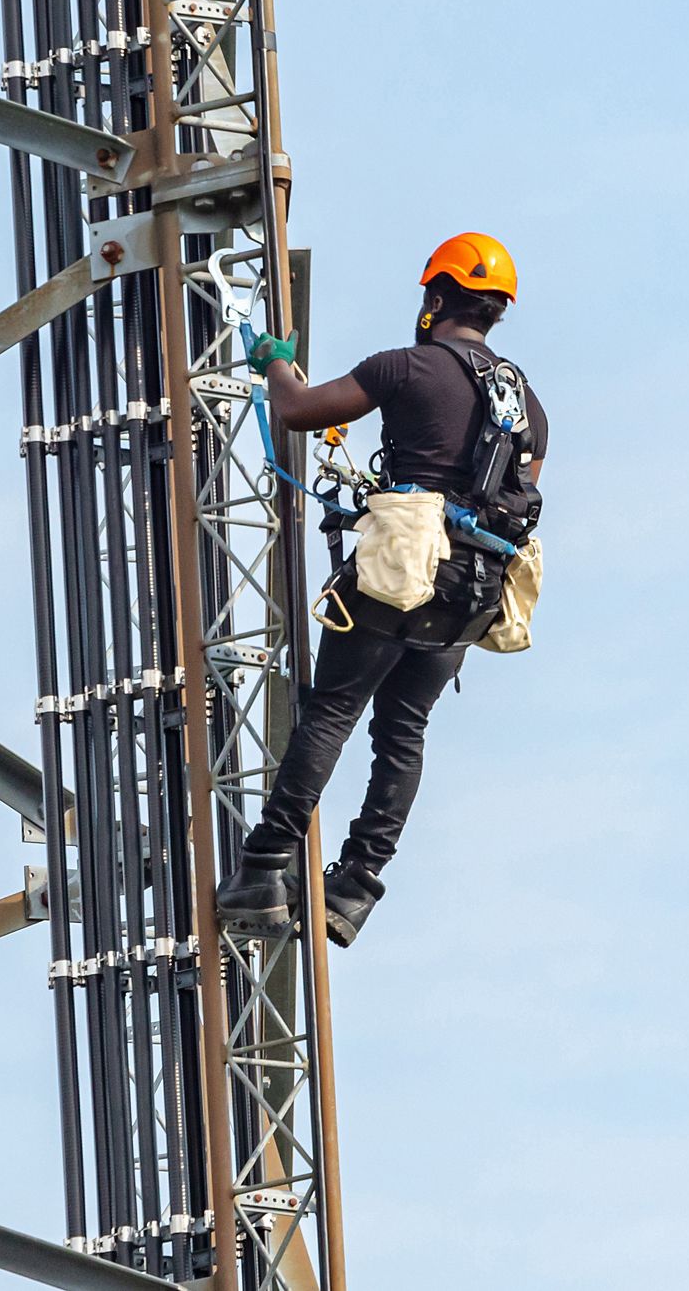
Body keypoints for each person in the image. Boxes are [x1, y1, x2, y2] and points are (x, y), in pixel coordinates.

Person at [212, 231, 549, 948]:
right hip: (470, 594)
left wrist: (275, 363)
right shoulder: (528, 407)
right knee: (403, 730)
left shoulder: (407, 367)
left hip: (401, 573)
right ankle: (356, 886)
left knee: (331, 709)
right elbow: (518, 495)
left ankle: (266, 865)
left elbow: (299, 410)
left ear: (434, 298)